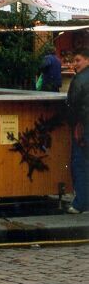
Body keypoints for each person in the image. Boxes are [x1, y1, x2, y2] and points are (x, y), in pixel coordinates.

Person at [65, 48, 89, 213]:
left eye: (78, 60)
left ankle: (81, 203)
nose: (74, 64)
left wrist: (74, 125)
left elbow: (72, 105)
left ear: (87, 60)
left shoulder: (79, 80)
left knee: (80, 164)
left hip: (83, 126)